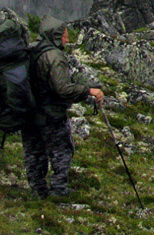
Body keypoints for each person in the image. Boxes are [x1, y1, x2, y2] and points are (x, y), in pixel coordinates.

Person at [21, 18, 105, 199]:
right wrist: (88, 90)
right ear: (56, 36)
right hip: (50, 114)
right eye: (64, 36)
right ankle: (58, 190)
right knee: (62, 150)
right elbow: (63, 89)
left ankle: (37, 190)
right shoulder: (54, 57)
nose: (67, 40)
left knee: (34, 152)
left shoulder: (31, 50)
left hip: (27, 112)